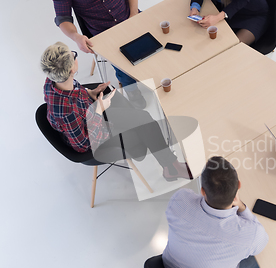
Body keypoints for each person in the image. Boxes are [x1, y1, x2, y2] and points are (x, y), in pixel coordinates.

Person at [41, 42, 191, 182]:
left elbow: (75, 92)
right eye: (74, 56)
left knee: (143, 117)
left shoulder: (53, 80)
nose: (75, 57)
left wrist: (90, 94)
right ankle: (172, 167)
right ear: (72, 69)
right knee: (144, 124)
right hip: (94, 138)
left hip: (88, 113)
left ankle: (170, 165)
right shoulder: (67, 113)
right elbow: (83, 145)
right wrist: (99, 111)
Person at [162, 156, 269, 268]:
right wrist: (242, 207)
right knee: (262, 255)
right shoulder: (249, 234)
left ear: (202, 191)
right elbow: (262, 241)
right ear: (239, 185)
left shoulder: (179, 200)